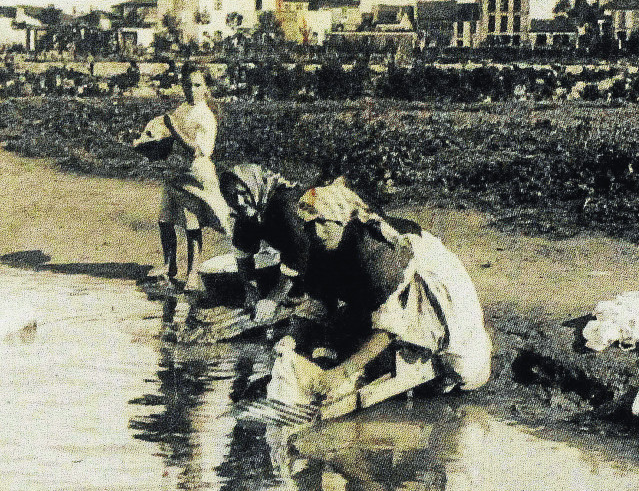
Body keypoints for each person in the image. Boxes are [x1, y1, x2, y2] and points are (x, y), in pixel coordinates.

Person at [219, 164, 492, 414]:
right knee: (331, 341)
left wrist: (342, 372)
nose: (311, 234)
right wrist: (292, 339)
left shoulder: (372, 253)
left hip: (433, 298)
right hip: (388, 299)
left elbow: (389, 326)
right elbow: (316, 304)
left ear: (340, 223)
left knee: (455, 369)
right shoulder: (319, 246)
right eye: (307, 228)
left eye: (318, 226)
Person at [134, 63, 231, 288]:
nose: (192, 90)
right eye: (187, 85)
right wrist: (149, 144)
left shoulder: (206, 116)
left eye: (197, 85)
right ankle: (169, 266)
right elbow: (167, 137)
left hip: (196, 174)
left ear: (206, 88)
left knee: (191, 222)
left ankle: (193, 272)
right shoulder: (182, 109)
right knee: (165, 219)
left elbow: (197, 150)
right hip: (176, 171)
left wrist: (174, 129)